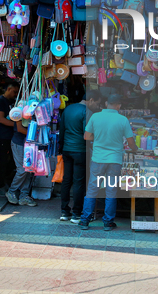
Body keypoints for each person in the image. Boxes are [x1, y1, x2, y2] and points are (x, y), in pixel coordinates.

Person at [79, 94, 138, 231]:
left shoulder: (95, 116)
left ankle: (85, 221)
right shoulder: (123, 120)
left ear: (106, 103)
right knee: (111, 191)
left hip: (98, 159)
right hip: (114, 160)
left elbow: (86, 137)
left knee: (92, 190)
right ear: (119, 105)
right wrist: (136, 150)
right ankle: (108, 222)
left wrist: (98, 138)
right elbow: (130, 142)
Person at [58, 90, 102, 224]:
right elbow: (87, 135)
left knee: (67, 180)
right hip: (80, 151)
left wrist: (61, 148)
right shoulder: (87, 112)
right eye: (97, 104)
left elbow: (62, 129)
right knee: (79, 182)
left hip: (67, 149)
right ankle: (76, 214)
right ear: (91, 100)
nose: (97, 107)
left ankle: (64, 212)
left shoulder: (68, 109)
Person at [0, 82, 19, 196]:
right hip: (2, 135)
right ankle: (0, 185)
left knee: (10, 161)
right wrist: (16, 126)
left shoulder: (10, 102)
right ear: (8, 89)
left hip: (9, 135)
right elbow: (1, 119)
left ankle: (5, 182)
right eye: (14, 92)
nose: (15, 94)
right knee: (3, 160)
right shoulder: (0, 101)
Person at [5, 120, 37, 206]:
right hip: (19, 143)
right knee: (22, 170)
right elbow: (19, 129)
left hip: (29, 144)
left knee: (28, 169)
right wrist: (35, 135)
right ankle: (11, 191)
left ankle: (24, 196)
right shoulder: (19, 109)